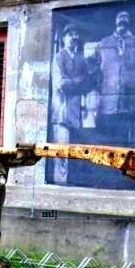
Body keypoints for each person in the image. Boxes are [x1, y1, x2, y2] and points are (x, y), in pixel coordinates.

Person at [93, 11, 135, 144]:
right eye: (120, 18)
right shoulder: (103, 44)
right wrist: (96, 90)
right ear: (115, 22)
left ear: (129, 23)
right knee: (105, 146)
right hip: (107, 105)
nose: (122, 21)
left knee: (124, 145)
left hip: (128, 106)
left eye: (126, 18)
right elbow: (92, 69)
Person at [50, 24, 98, 183]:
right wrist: (79, 81)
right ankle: (60, 185)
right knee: (61, 152)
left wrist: (79, 83)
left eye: (75, 35)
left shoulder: (81, 60)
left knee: (75, 153)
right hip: (62, 112)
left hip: (77, 113)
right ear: (64, 38)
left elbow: (87, 85)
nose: (73, 37)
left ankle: (70, 184)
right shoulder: (59, 57)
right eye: (70, 34)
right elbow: (61, 84)